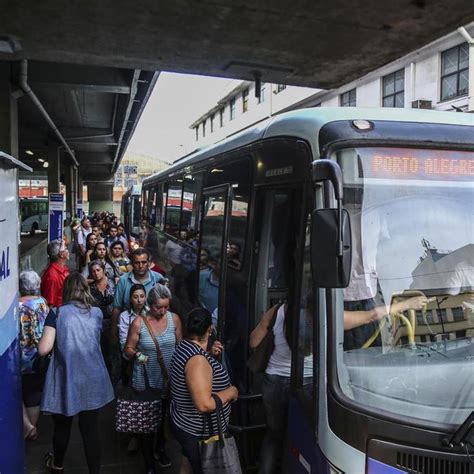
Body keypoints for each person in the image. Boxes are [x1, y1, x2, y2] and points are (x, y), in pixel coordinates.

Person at [38, 273, 114, 473]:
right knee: (90, 430)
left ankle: (57, 464)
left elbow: (43, 349)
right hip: (93, 377)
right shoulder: (97, 313)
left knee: (62, 426)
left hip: (67, 377)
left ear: (67, 290)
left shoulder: (57, 313)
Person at [170, 308, 237, 474]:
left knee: (186, 465)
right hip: (198, 433)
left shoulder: (184, 347)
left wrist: (208, 355)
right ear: (210, 329)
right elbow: (204, 404)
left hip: (184, 423)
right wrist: (231, 392)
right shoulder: (197, 360)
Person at [125, 284, 183, 473]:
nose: (163, 311)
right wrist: (137, 356)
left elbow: (181, 347)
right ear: (150, 304)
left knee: (164, 419)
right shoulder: (138, 323)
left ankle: (160, 448)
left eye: (166, 306)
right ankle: (149, 462)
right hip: (145, 380)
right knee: (147, 424)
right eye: (159, 307)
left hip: (168, 380)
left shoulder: (174, 319)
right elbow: (128, 349)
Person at [249, 304, 312, 473]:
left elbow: (254, 341)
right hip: (307, 380)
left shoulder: (277, 311)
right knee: (303, 435)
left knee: (273, 434)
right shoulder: (322, 310)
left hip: (274, 379)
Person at [19, 270, 49, 441]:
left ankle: (27, 427)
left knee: (18, 391)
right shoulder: (42, 303)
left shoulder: (17, 306)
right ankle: (32, 428)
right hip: (38, 356)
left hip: (20, 358)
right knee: (33, 393)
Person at [111, 248, 166, 343]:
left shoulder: (157, 278)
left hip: (154, 330)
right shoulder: (123, 280)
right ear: (132, 263)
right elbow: (117, 308)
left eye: (144, 262)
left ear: (149, 263)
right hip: (129, 331)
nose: (141, 266)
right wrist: (113, 334)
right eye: (137, 263)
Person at [41, 239, 70, 308]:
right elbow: (50, 305)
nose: (68, 251)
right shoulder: (52, 276)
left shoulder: (63, 269)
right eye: (66, 249)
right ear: (61, 254)